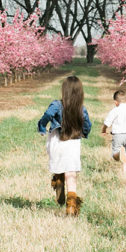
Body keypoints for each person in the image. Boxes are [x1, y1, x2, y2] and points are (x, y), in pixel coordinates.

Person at [37, 75, 91, 216]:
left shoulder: (56, 104)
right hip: (73, 143)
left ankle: (59, 180)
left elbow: (48, 114)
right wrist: (84, 133)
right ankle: (71, 206)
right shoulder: (81, 109)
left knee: (59, 165)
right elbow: (87, 124)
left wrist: (42, 126)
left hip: (56, 141)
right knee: (71, 173)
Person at [101, 89, 126, 176]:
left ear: (115, 102)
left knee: (115, 153)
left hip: (118, 135)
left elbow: (107, 122)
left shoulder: (115, 110)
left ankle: (119, 155)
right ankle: (124, 172)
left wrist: (104, 130)